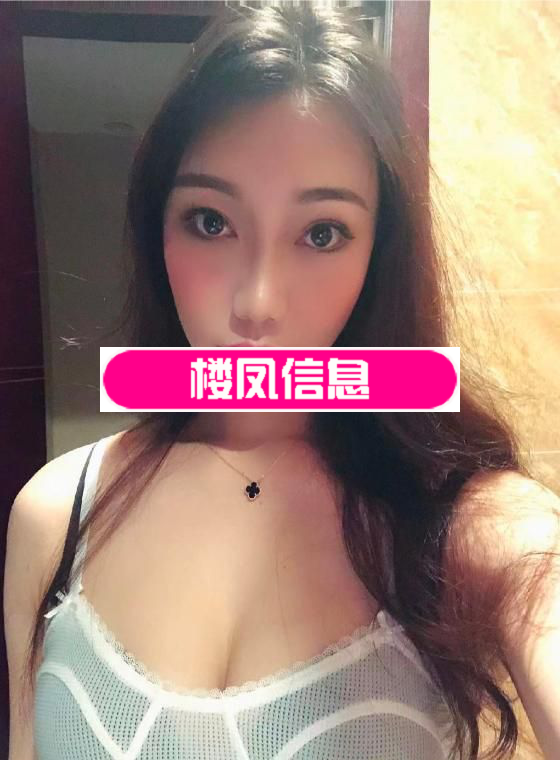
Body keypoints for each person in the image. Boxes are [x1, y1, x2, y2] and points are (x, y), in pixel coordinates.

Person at [5, 3, 560, 760]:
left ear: (378, 256)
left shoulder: (472, 527)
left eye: (322, 233)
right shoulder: (51, 517)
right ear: (156, 229)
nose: (257, 304)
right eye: (210, 221)